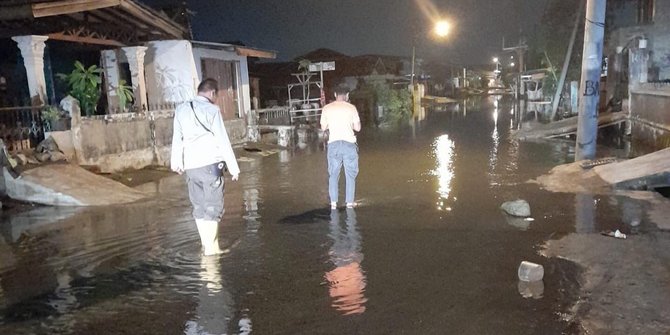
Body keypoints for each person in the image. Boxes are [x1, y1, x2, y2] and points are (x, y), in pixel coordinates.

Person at [171, 78, 240, 256]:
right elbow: (222, 140)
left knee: (199, 207)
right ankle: (212, 249)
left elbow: (177, 138)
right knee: (212, 207)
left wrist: (176, 162)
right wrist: (233, 167)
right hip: (210, 165)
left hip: (191, 167)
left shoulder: (181, 109)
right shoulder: (212, 110)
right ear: (212, 93)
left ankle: (205, 245)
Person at [320, 85, 361, 209]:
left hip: (334, 145)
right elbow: (358, 128)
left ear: (334, 95)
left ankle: (333, 203)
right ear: (347, 95)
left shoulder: (327, 108)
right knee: (350, 174)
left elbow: (323, 127)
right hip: (349, 144)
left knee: (333, 174)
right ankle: (349, 203)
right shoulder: (352, 108)